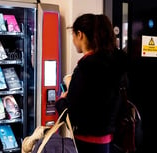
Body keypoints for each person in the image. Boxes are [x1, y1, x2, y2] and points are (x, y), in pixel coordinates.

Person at [55, 13, 128, 153]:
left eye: (73, 36)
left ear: (80, 34)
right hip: (110, 142)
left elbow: (72, 118)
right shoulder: (117, 65)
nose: (73, 40)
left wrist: (62, 101)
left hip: (87, 145)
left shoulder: (85, 69)